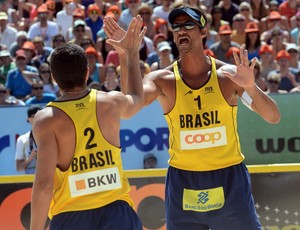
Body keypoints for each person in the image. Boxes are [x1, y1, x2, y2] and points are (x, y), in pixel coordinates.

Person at [104, 5, 281, 229]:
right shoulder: (163, 79)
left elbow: (273, 116)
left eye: (188, 25)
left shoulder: (228, 77)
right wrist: (127, 53)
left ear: (204, 33)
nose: (181, 31)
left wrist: (251, 87)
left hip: (228, 177)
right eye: (176, 27)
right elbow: (129, 109)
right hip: (184, 180)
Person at [30, 16, 146, 230]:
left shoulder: (46, 119)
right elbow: (136, 98)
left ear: (53, 78)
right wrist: (129, 53)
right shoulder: (110, 102)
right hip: (117, 211)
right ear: (87, 72)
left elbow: (44, 185)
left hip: (71, 216)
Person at [15, 105, 42, 174]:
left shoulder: (51, 136)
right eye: (33, 116)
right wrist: (29, 158)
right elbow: (18, 167)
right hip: (31, 178)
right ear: (28, 119)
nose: (36, 118)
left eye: (39, 115)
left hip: (51, 176)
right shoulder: (22, 139)